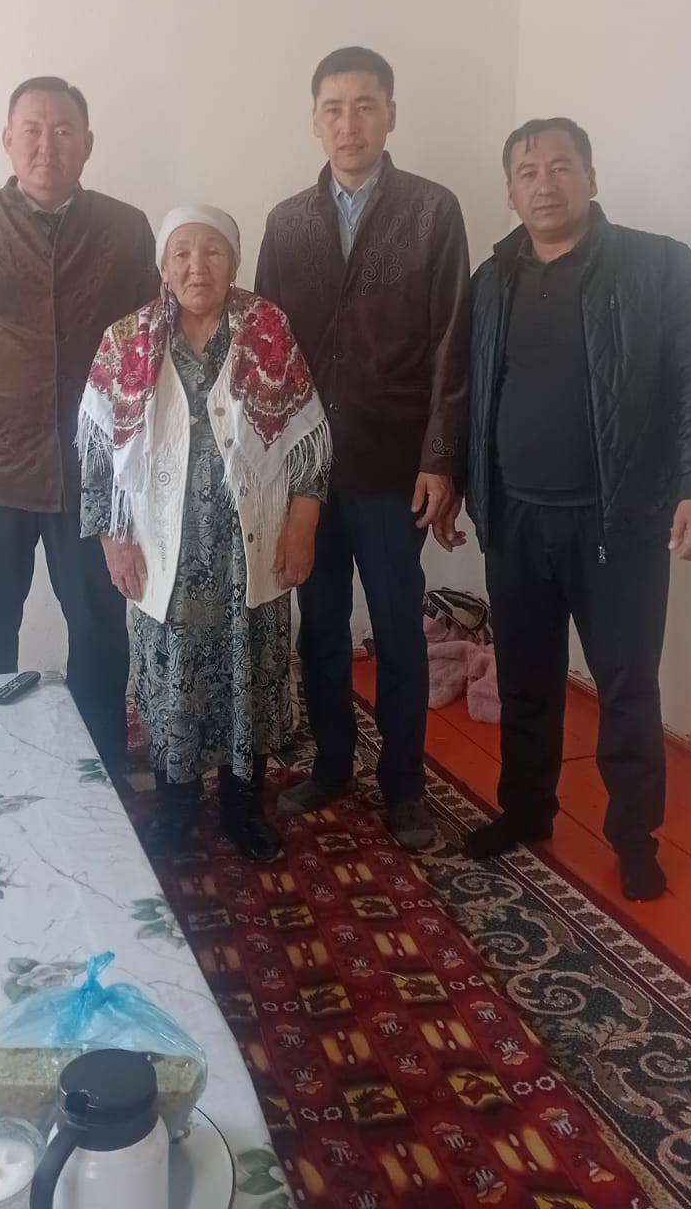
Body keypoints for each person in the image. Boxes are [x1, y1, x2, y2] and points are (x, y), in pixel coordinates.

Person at [464, 118, 691, 900]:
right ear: (509, 191)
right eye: (527, 172)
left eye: (560, 167)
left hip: (620, 522)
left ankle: (634, 839)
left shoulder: (658, 265)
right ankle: (526, 811)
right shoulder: (492, 279)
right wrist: (462, 483)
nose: (544, 185)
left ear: (590, 176)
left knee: (626, 687)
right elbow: (472, 392)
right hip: (515, 517)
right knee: (526, 678)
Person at [0, 76, 158, 779]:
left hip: (93, 476)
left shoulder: (125, 228)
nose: (49, 146)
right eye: (33, 131)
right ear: (8, 141)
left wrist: (145, 461)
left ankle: (101, 777)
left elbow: (146, 353)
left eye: (64, 130)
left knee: (100, 629)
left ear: (88, 143)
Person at [255, 47, 470, 851]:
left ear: (390, 115)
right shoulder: (287, 223)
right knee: (319, 624)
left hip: (392, 463)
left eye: (365, 106)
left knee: (397, 626)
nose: (349, 123)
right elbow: (267, 351)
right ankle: (333, 764)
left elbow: (452, 343)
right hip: (307, 472)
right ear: (315, 121)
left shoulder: (432, 211)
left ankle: (405, 785)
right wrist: (271, 464)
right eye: (334, 109)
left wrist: (441, 457)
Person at [78, 206, 331, 863]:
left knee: (250, 676)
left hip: (250, 547)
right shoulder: (126, 340)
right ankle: (177, 807)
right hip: (164, 553)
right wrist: (114, 539)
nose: (198, 266)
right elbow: (97, 453)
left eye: (213, 252)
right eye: (182, 253)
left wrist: (303, 524)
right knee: (173, 683)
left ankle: (244, 808)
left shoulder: (268, 330)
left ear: (234, 263)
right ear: (163, 266)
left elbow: (309, 440)